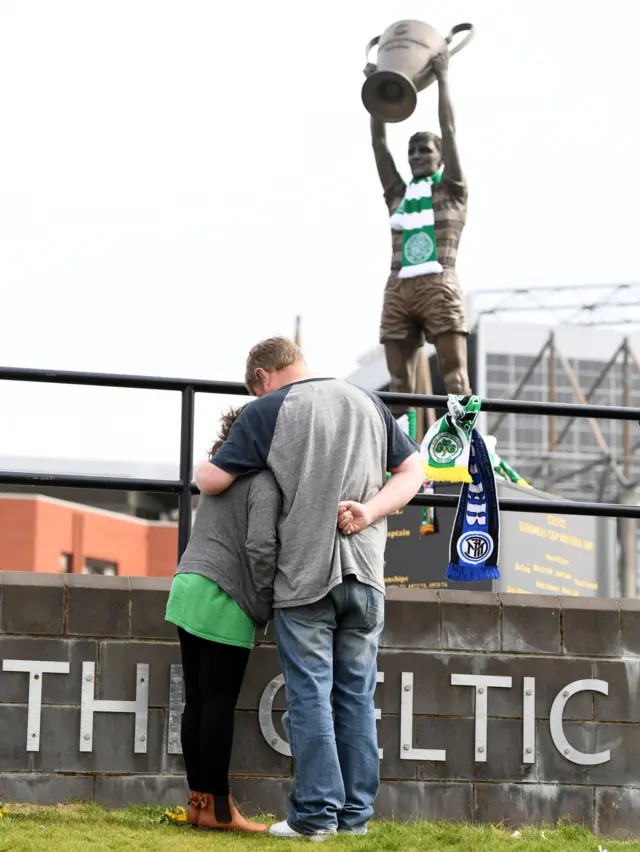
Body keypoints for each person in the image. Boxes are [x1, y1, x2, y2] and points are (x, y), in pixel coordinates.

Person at [195, 337, 425, 841]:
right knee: (358, 697)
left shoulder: (269, 409)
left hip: (305, 578)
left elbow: (209, 480)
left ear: (261, 378)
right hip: (366, 572)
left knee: (310, 698)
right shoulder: (368, 401)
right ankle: (356, 818)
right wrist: (369, 511)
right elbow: (414, 470)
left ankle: (315, 816)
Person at [165, 405, 281, 833]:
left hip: (188, 586)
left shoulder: (217, 473)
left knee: (196, 701)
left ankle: (198, 801)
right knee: (217, 705)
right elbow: (261, 549)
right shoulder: (262, 481)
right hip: (224, 597)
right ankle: (219, 810)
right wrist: (264, 604)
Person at [370, 51, 470, 415]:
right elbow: (379, 146)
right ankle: (399, 455)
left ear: (440, 156)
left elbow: (450, 130)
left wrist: (443, 79)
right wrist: (375, 96)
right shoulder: (399, 195)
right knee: (399, 386)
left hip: (438, 283)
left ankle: (462, 451)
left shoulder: (452, 190)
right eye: (411, 150)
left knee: (455, 377)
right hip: (399, 287)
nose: (416, 155)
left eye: (424, 149)